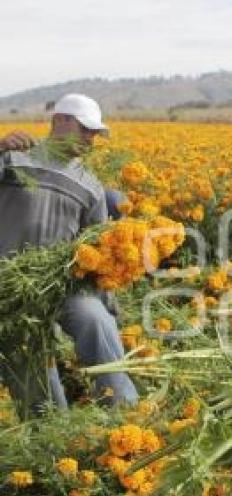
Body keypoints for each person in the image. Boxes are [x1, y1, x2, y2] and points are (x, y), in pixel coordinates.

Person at [0, 93, 139, 411]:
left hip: (62, 283)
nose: (91, 139)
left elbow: (98, 256)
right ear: (58, 121)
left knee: (95, 319)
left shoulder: (90, 186)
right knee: (35, 372)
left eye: (95, 133)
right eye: (85, 129)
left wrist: (109, 306)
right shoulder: (13, 157)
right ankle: (52, 435)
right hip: (11, 286)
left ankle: (124, 411)